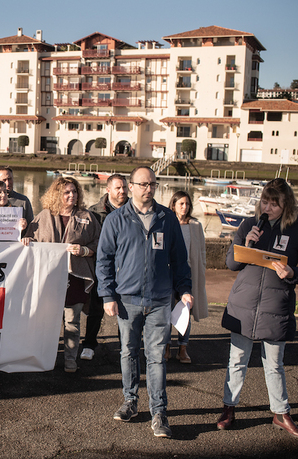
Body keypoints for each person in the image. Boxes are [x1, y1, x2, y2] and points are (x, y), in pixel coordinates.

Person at [216, 178, 298, 439]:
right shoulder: (249, 224)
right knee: (237, 359)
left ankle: (281, 413)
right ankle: (229, 408)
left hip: (276, 305)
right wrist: (246, 245)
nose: (268, 208)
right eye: (265, 202)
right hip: (244, 304)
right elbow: (231, 263)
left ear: (287, 205)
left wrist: (293, 271)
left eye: (275, 204)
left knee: (274, 363)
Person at [96, 166, 193, 439]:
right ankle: (130, 401)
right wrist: (107, 295)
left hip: (160, 300)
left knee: (156, 358)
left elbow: (180, 259)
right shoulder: (116, 220)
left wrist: (184, 290)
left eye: (152, 184)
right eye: (142, 184)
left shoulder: (168, 218)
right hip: (127, 299)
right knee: (128, 352)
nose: (148, 189)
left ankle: (159, 412)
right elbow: (103, 261)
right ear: (131, 186)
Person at [22, 176, 100, 373]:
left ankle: (70, 361)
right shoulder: (43, 216)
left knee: (72, 322)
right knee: (46, 321)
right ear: (57, 194)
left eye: (74, 192)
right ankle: (42, 359)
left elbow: (99, 244)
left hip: (75, 278)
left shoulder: (88, 217)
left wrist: (84, 251)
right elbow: (30, 238)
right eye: (67, 192)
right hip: (49, 278)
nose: (71, 195)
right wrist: (25, 239)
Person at [80, 173, 128, 361]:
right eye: (118, 188)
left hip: (126, 269)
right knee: (96, 309)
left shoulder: (134, 210)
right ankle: (89, 344)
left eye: (124, 187)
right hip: (102, 268)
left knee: (126, 311)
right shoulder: (94, 212)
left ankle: (126, 346)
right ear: (108, 190)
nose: (122, 191)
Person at [165, 190, 208, 364]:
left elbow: (202, 250)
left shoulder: (195, 225)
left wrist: (201, 268)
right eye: (181, 203)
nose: (184, 207)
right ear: (173, 205)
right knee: (166, 310)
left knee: (186, 311)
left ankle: (183, 348)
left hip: (189, 274)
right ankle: (166, 346)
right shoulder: (167, 223)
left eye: (187, 204)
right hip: (169, 274)